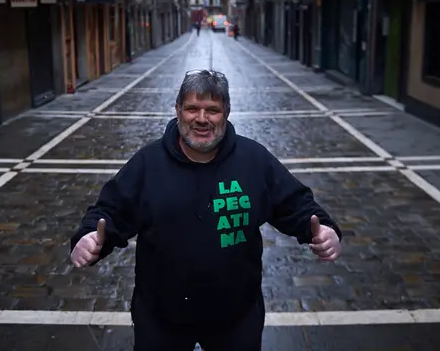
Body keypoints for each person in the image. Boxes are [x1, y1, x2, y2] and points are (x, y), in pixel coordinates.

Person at [70, 69, 343, 351]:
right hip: (161, 317)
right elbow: (111, 211)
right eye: (192, 109)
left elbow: (295, 203)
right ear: (178, 110)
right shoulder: (147, 164)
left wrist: (323, 229)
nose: (202, 119)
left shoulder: (254, 160)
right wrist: (89, 236)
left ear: (226, 112)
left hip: (236, 317)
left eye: (212, 110)